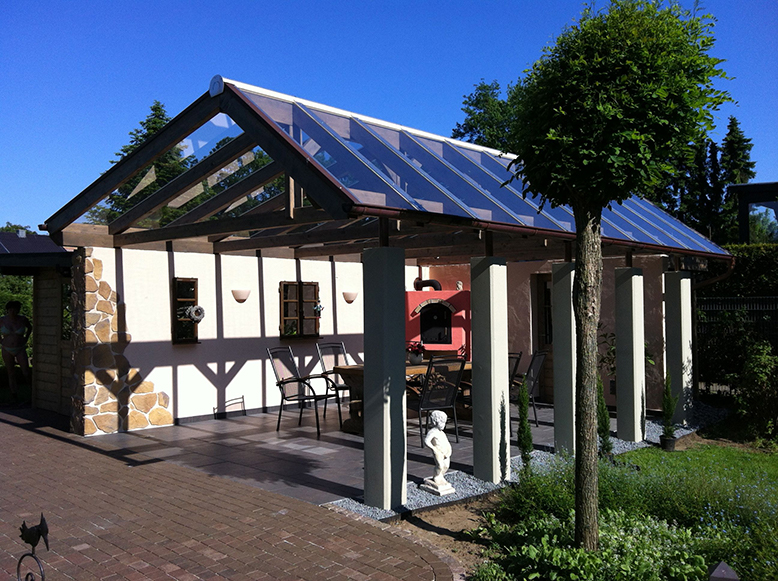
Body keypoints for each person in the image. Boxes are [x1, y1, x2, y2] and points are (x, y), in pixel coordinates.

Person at [1, 300, 32, 401]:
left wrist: (26, 338)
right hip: (7, 348)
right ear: (8, 310)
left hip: (20, 348)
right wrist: (1, 341)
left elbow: (30, 327)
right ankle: (14, 394)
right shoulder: (2, 320)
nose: (13, 312)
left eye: (15, 310)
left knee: (26, 371)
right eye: (11, 310)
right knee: (11, 372)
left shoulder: (22, 319)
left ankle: (32, 391)